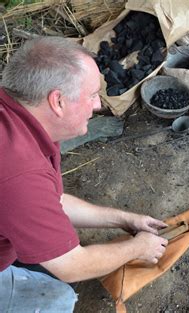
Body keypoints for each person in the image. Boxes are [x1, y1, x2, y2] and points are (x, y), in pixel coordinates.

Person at [0, 36, 168, 312]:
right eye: (92, 95)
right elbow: (71, 265)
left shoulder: (16, 118)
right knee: (60, 299)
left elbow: (49, 202)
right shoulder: (19, 173)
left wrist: (124, 219)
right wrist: (138, 248)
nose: (99, 106)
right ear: (58, 101)